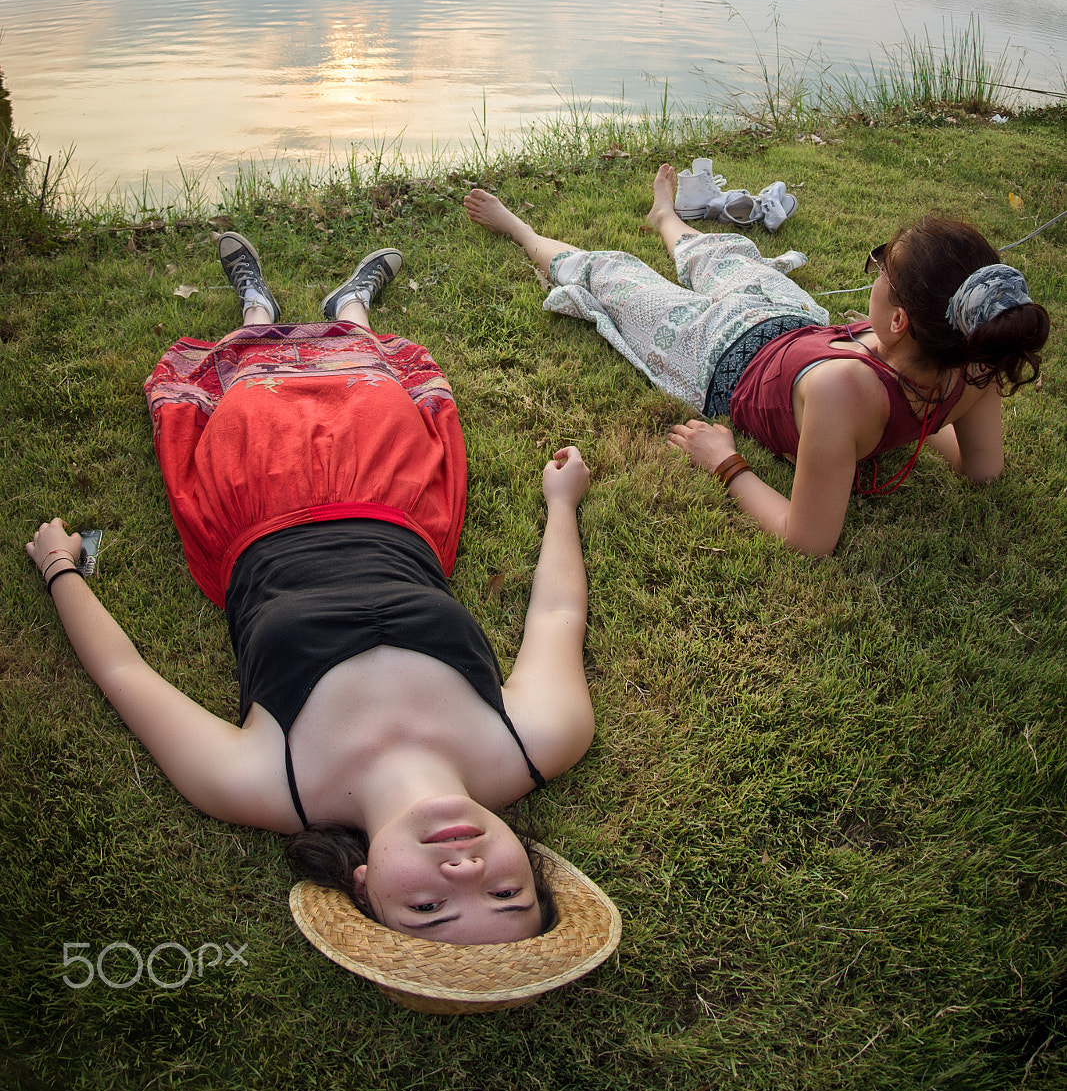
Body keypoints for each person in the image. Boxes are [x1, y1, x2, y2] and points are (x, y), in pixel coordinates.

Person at [26, 234, 602, 953]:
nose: (464, 868)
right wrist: (560, 503)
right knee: (371, 379)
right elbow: (556, 613)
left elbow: (124, 674)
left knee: (249, 387)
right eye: (505, 892)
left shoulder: (267, 785)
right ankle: (350, 304)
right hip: (391, 500)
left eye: (428, 905)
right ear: (536, 870)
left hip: (259, 507)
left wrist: (60, 570)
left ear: (362, 886)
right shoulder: (539, 740)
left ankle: (254, 303)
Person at [464, 167, 1049, 558]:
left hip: (720, 353)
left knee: (614, 274)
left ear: (899, 322)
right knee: (718, 254)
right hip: (796, 321)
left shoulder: (844, 392)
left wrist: (726, 463)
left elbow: (808, 539)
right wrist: (917, 425)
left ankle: (522, 230)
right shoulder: (977, 360)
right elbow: (982, 467)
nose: (873, 278)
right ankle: (666, 217)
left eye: (881, 272)